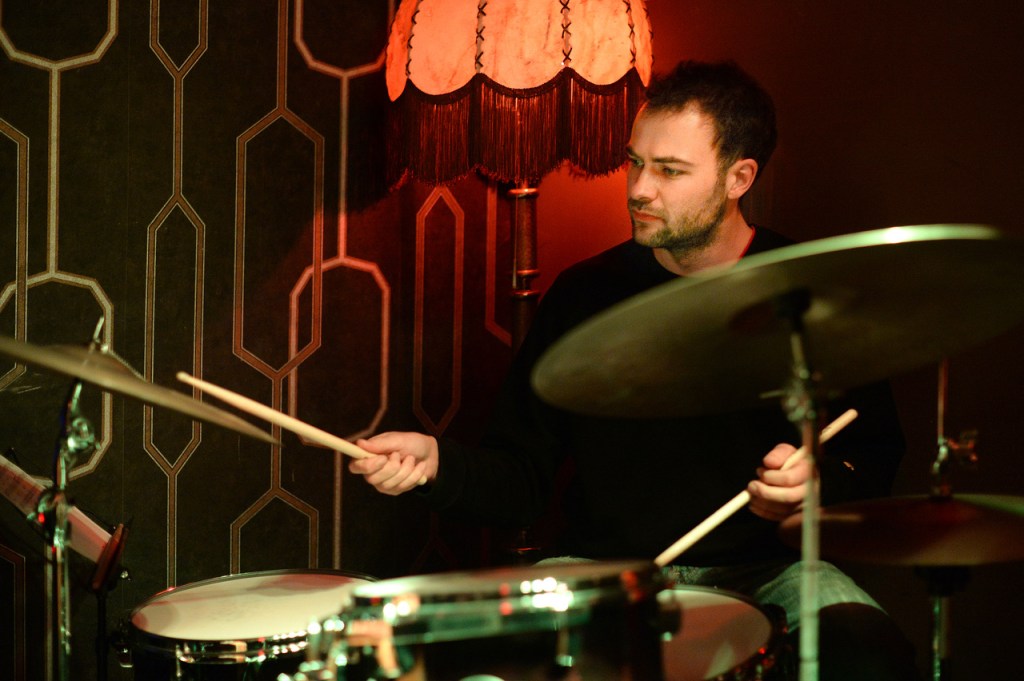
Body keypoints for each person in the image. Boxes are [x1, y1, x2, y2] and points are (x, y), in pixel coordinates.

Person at [350, 60, 922, 680]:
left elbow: (873, 461)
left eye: (670, 170)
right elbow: (522, 478)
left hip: (774, 569)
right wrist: (437, 465)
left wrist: (816, 488)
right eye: (635, 162)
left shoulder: (812, 292)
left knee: (867, 651)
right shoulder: (585, 294)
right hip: (603, 568)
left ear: (739, 177)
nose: (640, 189)